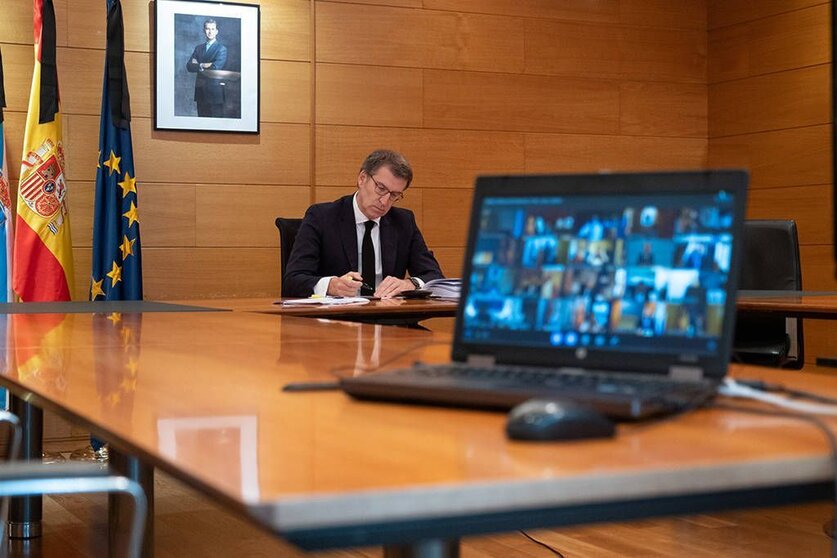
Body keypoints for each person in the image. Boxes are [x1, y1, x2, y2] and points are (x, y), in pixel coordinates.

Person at [283, 149, 444, 298]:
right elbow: (293, 280)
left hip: (390, 319)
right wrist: (331, 285)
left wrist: (409, 284)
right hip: (337, 321)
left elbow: (434, 276)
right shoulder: (322, 217)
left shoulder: (403, 222)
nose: (385, 201)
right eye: (380, 188)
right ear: (362, 179)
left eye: (395, 195)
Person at [186, 18, 227, 117]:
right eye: (207, 29)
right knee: (201, 126)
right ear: (204, 30)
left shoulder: (221, 49)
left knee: (216, 127)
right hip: (200, 93)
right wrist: (203, 65)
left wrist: (198, 64)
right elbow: (189, 66)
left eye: (212, 29)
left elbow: (215, 69)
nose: (210, 32)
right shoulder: (198, 48)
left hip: (215, 94)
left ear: (216, 31)